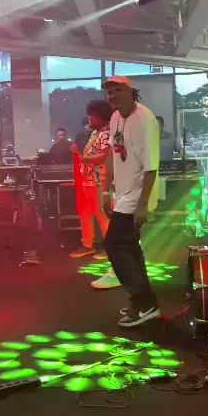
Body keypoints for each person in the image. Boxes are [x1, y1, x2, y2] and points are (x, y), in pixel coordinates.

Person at [102, 76, 161, 327]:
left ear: (130, 91)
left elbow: (151, 167)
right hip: (123, 194)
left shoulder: (145, 120)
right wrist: (106, 191)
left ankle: (144, 301)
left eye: (117, 90)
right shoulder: (115, 117)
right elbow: (112, 154)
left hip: (138, 194)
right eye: (109, 92)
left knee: (115, 244)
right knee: (130, 248)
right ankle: (146, 303)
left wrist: (142, 204)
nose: (112, 96)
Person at [69, 100, 121, 287]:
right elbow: (90, 155)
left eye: (93, 115)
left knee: (103, 214)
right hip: (90, 180)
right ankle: (89, 244)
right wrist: (79, 154)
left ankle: (111, 249)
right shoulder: (96, 133)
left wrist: (84, 159)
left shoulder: (108, 133)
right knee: (88, 212)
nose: (90, 118)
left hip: (101, 181)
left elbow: (105, 156)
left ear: (102, 116)